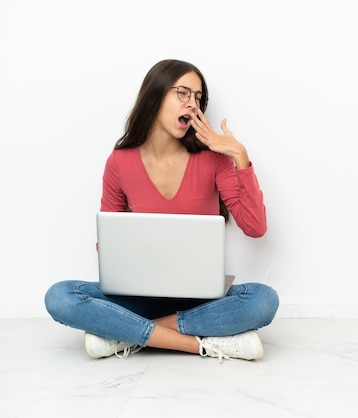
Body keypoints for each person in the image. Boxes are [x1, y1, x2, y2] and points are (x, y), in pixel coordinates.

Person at [44, 59, 279, 362]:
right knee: (60, 296)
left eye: (198, 98)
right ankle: (205, 345)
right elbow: (108, 245)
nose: (192, 104)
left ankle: (125, 334)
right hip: (139, 297)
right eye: (183, 93)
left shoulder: (214, 160)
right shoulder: (119, 162)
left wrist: (239, 156)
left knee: (263, 301)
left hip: (201, 301)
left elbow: (256, 227)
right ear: (154, 95)